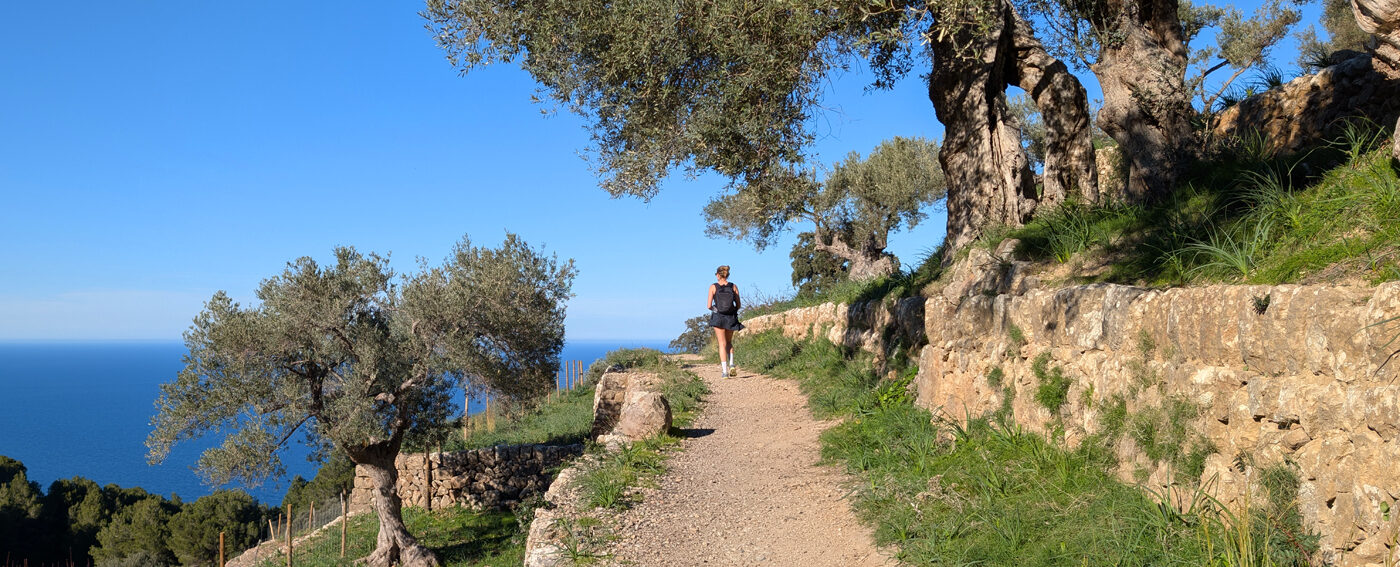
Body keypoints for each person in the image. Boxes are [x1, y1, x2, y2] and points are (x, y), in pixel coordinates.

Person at [707, 265, 744, 377]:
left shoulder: (713, 287)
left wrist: (717, 310)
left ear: (718, 275)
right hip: (730, 317)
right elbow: (738, 305)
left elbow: (709, 306)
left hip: (719, 318)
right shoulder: (733, 286)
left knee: (721, 344)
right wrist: (731, 311)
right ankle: (732, 365)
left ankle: (724, 372)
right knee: (728, 342)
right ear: (727, 274)